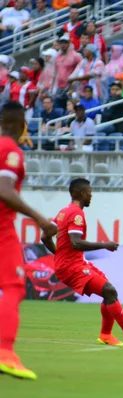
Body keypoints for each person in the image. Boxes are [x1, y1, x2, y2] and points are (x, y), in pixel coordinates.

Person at [41, 178, 123, 348]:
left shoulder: (64, 212)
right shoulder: (76, 214)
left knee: (109, 291)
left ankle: (106, 335)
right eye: (89, 193)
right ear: (81, 193)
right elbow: (76, 242)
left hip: (74, 262)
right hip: (72, 266)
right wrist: (104, 245)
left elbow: (45, 236)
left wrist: (58, 254)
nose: (91, 196)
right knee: (108, 291)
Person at [0, 102, 58, 380]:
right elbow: (4, 189)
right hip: (1, 228)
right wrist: (40, 218)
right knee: (13, 287)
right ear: (22, 123)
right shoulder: (10, 150)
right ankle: (5, 353)